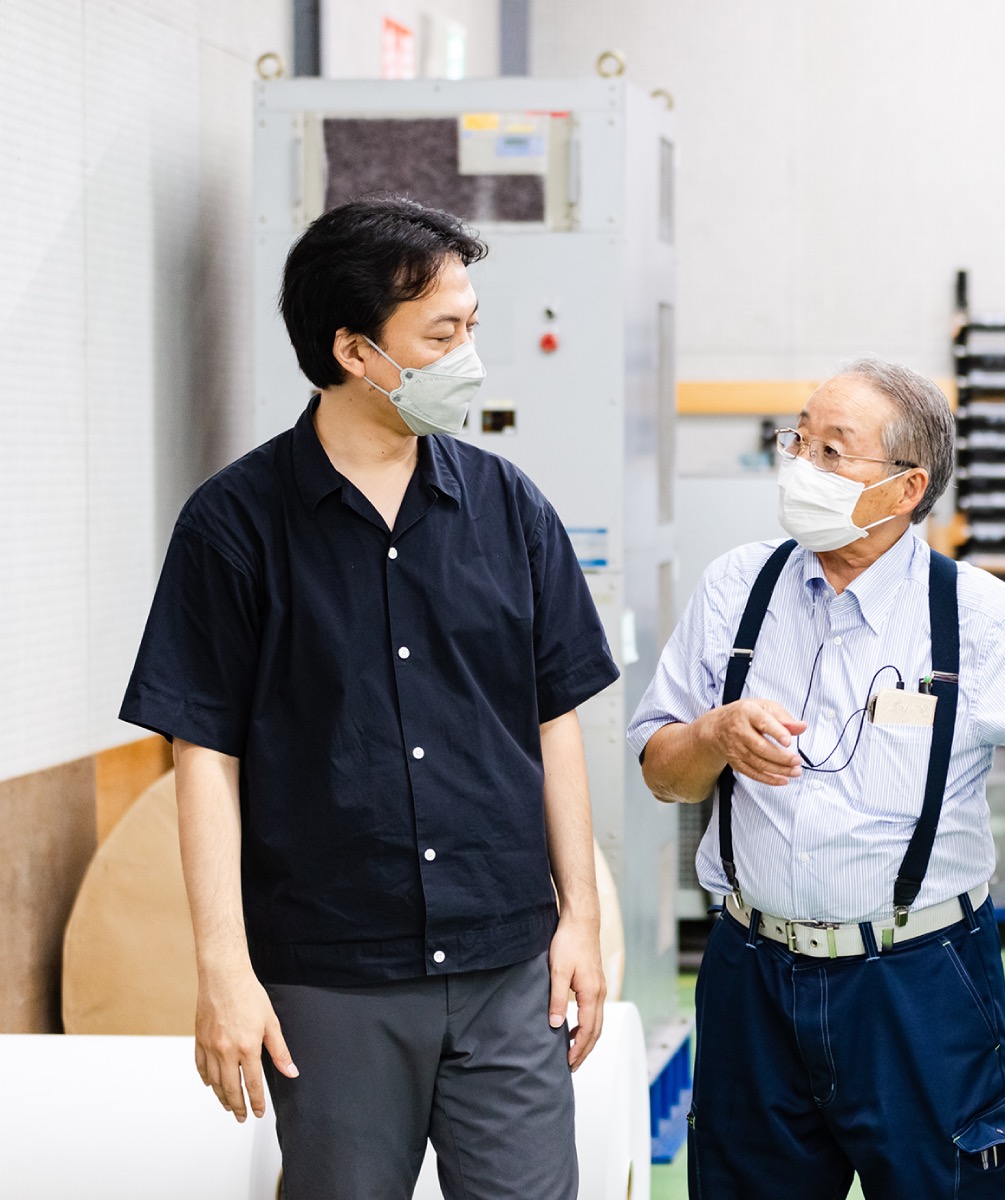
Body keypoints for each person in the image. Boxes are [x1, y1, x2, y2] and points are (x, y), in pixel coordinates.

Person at [119, 195, 618, 1199]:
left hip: (505, 962)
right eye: (442, 334)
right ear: (355, 350)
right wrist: (223, 969)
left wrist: (582, 923)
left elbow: (554, 722)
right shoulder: (234, 526)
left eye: (471, 325)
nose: (469, 354)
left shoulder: (512, 509)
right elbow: (203, 756)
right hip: (330, 975)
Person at [628, 356, 1005, 1198]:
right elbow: (663, 773)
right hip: (752, 977)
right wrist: (713, 733)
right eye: (800, 440)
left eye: (833, 450)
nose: (801, 467)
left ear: (906, 489)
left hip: (922, 984)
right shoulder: (734, 590)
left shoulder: (975, 612)